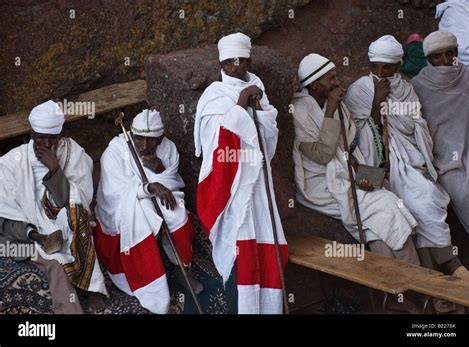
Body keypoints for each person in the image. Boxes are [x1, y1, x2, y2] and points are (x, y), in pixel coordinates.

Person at [345, 35, 469, 285]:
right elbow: (355, 135)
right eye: (376, 67)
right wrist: (376, 106)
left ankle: (442, 274)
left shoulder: (406, 89)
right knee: (413, 204)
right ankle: (446, 269)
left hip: (408, 161)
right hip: (376, 165)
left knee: (427, 197)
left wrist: (397, 115)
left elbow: (418, 126)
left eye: (388, 68)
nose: (381, 73)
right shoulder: (360, 89)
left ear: (397, 67)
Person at [291, 53, 419, 265]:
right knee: (385, 204)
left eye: (335, 76)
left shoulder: (337, 104)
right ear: (314, 84)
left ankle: (402, 288)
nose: (337, 82)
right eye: (330, 79)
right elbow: (322, 155)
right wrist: (331, 108)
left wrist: (362, 174)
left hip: (346, 170)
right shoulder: (299, 110)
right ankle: (416, 284)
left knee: (384, 198)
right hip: (321, 182)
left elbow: (348, 148)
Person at [194, 32, 288, 314]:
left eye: (239, 61)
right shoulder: (214, 96)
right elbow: (218, 145)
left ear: (248, 60)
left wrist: (257, 108)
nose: (234, 67)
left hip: (258, 182)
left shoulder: (258, 87)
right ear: (222, 64)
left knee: (265, 247)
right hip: (233, 188)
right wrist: (239, 105)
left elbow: (269, 134)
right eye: (228, 62)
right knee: (240, 251)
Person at [0, 100, 107, 313]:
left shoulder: (72, 153)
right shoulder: (12, 163)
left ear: (60, 134)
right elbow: (5, 219)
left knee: (78, 219)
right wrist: (35, 235)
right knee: (55, 260)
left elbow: (78, 202)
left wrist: (55, 170)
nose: (47, 143)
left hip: (64, 221)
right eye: (41, 137)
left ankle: (93, 286)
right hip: (25, 236)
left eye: (52, 137)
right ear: (31, 134)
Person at [94, 109, 201, 314]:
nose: (144, 146)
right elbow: (116, 193)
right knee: (142, 216)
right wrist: (150, 188)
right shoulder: (114, 151)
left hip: (156, 195)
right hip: (124, 205)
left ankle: (180, 268)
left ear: (161, 137)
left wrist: (160, 170)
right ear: (132, 135)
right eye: (139, 139)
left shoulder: (168, 148)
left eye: (151, 141)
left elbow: (172, 182)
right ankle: (150, 283)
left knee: (176, 212)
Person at [411, 31, 469, 240]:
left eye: (450, 53)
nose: (446, 60)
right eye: (438, 56)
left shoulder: (468, 78)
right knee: (466, 194)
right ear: (428, 60)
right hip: (447, 162)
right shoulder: (419, 86)